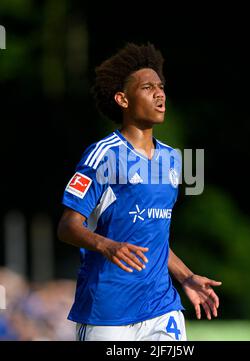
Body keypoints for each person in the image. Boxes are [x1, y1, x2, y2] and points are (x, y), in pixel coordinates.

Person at [57, 42, 222, 341]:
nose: (160, 94)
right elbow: (67, 227)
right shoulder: (102, 156)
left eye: (161, 86)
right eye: (148, 87)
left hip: (162, 308)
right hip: (108, 312)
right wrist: (108, 246)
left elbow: (154, 238)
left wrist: (186, 277)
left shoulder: (173, 160)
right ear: (123, 99)